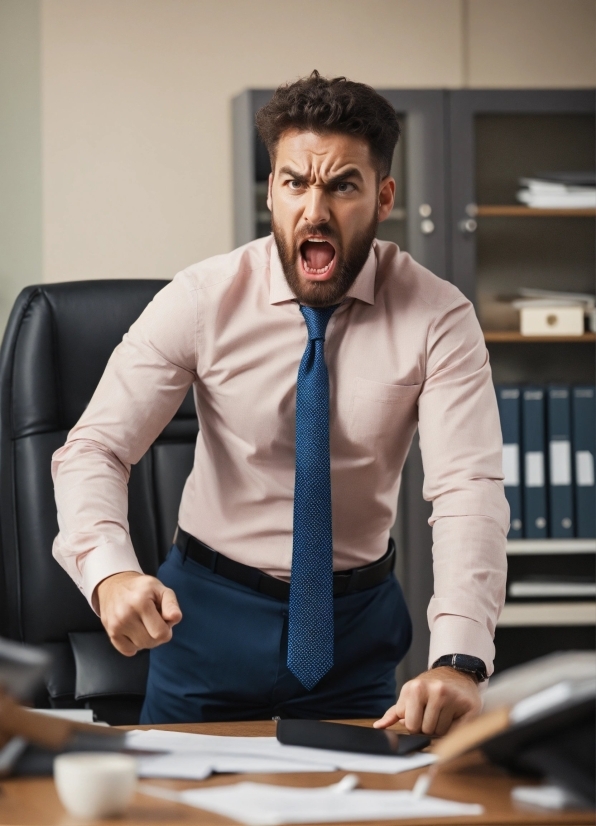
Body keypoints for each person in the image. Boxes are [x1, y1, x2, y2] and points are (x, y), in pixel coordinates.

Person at [52, 71, 508, 734]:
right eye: (294, 183)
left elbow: (468, 490)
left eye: (342, 185)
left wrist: (459, 660)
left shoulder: (438, 316)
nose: (314, 211)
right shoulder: (203, 298)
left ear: (384, 197)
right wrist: (110, 575)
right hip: (205, 623)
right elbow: (96, 447)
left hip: (353, 637)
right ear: (271, 190)